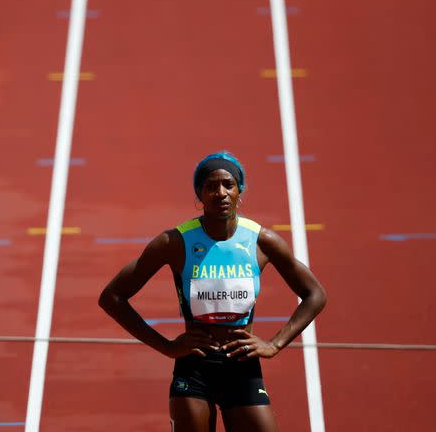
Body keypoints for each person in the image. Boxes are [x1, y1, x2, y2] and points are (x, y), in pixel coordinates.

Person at [98, 151, 327, 432]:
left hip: (242, 365)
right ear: (199, 193)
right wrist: (167, 347)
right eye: (211, 186)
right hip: (195, 367)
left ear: (239, 190)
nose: (220, 193)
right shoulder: (175, 242)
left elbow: (315, 294)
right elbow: (112, 297)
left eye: (228, 185)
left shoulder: (262, 241)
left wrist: (274, 344)